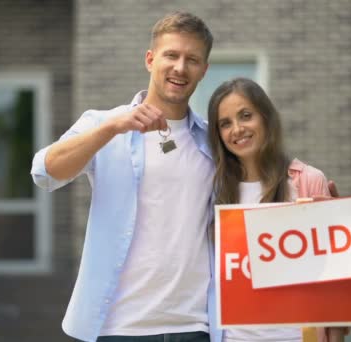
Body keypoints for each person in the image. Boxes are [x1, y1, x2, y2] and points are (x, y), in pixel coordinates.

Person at [31, 11, 217, 342]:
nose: (180, 67)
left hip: (195, 325)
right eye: (171, 55)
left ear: (204, 70)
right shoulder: (105, 124)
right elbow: (44, 172)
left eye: (192, 59)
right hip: (119, 327)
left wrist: (314, 191)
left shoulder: (213, 141)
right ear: (150, 59)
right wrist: (114, 127)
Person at [207, 77, 349, 342]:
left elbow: (336, 278)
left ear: (266, 118)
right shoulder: (214, 191)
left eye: (245, 116)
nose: (237, 129)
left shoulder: (307, 180)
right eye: (225, 123)